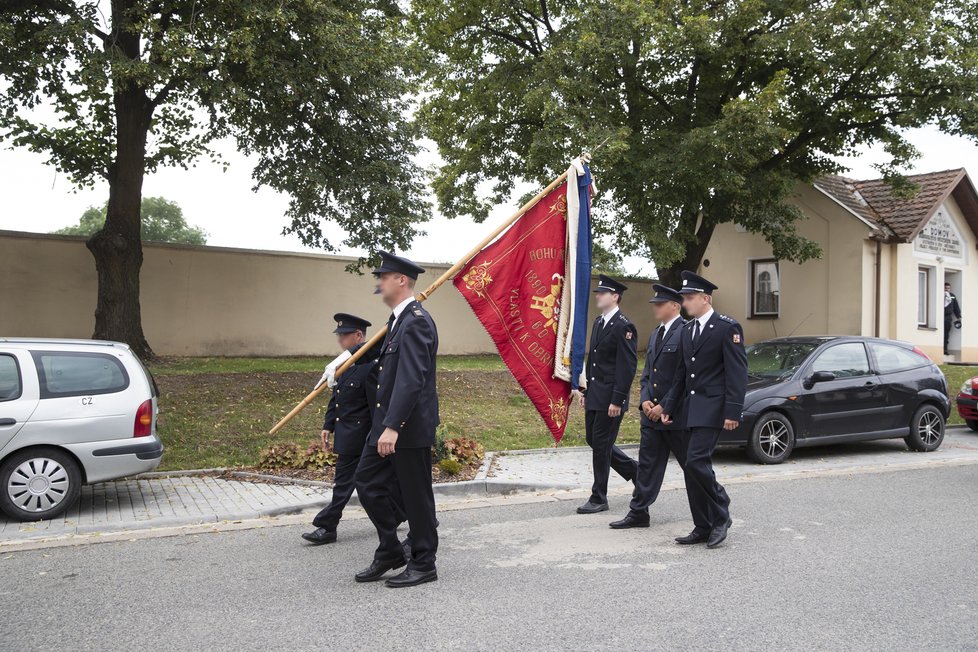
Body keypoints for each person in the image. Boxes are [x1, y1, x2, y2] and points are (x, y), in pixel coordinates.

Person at [354, 251, 440, 588]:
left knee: (416, 495)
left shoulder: (416, 320)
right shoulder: (397, 321)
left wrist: (392, 427)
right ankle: (390, 549)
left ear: (400, 280)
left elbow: (411, 379)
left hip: (406, 427)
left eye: (383, 276)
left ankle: (424, 562)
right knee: (368, 482)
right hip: (386, 423)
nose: (379, 282)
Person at [660, 271, 747, 549]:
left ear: (705, 299)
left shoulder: (726, 328)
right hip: (689, 409)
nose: (685, 303)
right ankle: (702, 525)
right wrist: (669, 406)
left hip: (713, 408)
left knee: (697, 461)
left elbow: (737, 373)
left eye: (689, 298)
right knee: (690, 469)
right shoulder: (687, 330)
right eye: (684, 298)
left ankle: (721, 512)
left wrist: (733, 411)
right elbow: (681, 376)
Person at [610, 284, 687, 529]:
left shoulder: (685, 332)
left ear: (675, 306)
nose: (655, 306)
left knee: (694, 468)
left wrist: (664, 406)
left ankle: (718, 510)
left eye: (660, 303)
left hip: (674, 417)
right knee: (647, 466)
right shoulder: (656, 333)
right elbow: (646, 374)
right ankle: (639, 512)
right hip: (650, 416)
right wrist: (645, 400)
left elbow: (683, 377)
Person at [301, 313, 383, 545]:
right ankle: (407, 515)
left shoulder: (369, 367)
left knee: (346, 483)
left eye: (344, 336)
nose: (340, 341)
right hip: (346, 433)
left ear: (358, 336)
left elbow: (375, 405)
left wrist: (376, 436)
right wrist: (328, 424)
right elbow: (337, 396)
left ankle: (328, 526)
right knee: (377, 483)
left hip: (361, 436)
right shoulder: (346, 364)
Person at [576, 274, 639, 515]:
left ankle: (598, 496)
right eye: (598, 293)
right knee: (594, 441)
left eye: (602, 293)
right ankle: (636, 472)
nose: (598, 296)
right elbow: (594, 362)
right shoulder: (599, 322)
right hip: (596, 394)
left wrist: (618, 399)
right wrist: (586, 391)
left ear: (615, 296)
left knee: (601, 444)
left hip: (611, 397)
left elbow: (627, 366)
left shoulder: (624, 326)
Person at [944, 282, 962, 355]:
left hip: (948, 317)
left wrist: (958, 316)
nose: (947, 289)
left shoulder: (952, 296)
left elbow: (956, 307)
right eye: (945, 288)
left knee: (946, 333)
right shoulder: (940, 295)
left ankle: (945, 349)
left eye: (948, 288)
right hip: (941, 316)